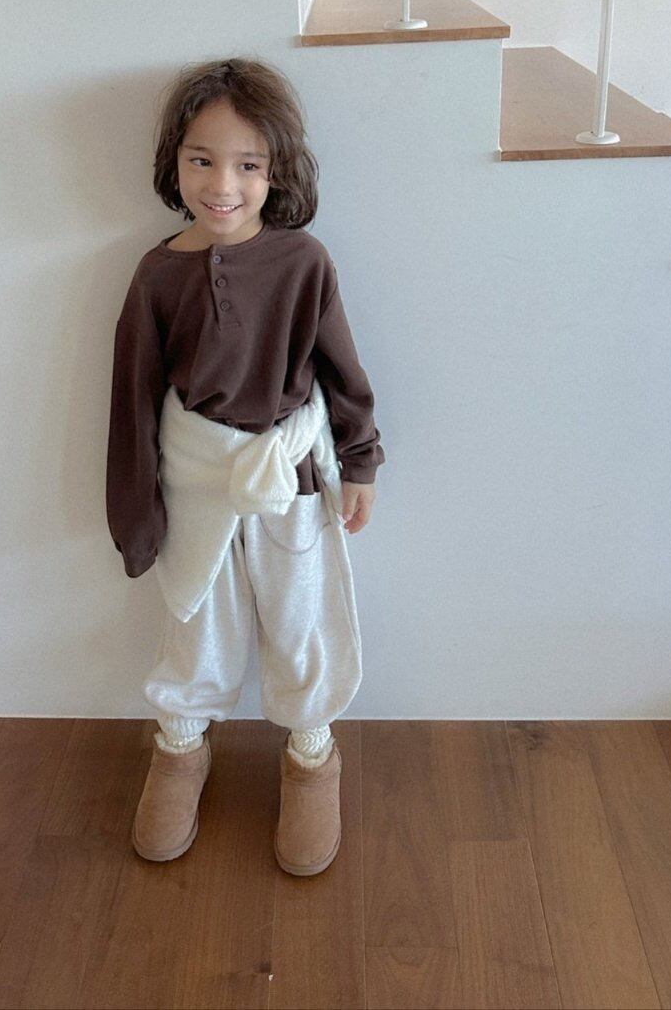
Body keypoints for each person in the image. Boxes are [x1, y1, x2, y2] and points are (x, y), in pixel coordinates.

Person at [106, 56, 385, 877]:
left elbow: (342, 373)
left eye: (248, 164)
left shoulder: (305, 263)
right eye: (202, 159)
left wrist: (360, 462)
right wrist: (136, 512)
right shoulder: (157, 275)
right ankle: (180, 747)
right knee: (196, 623)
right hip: (194, 485)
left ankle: (312, 754)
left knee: (300, 621)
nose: (222, 184)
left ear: (276, 170)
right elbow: (131, 399)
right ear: (175, 162)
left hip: (287, 484)